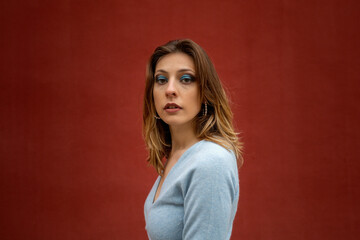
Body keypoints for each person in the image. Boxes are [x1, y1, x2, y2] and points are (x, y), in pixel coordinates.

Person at [143, 39, 243, 240]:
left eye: (186, 79)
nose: (170, 90)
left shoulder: (210, 161)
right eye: (161, 80)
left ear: (205, 92)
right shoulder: (177, 156)